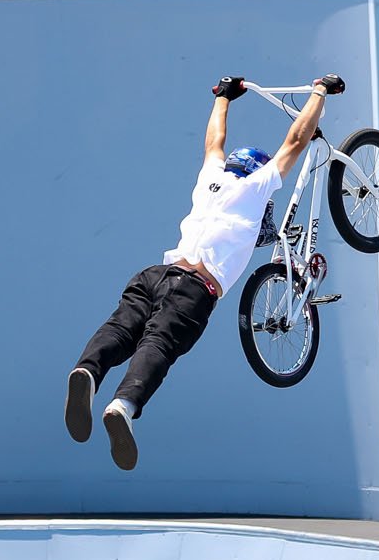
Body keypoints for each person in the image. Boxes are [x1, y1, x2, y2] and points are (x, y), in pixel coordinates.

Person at [67, 74, 346, 471]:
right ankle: (122, 406)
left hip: (155, 273)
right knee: (158, 345)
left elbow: (214, 142)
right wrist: (320, 93)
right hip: (195, 287)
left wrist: (223, 98)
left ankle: (87, 370)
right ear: (255, 172)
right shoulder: (255, 186)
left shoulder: (210, 178)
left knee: (121, 328)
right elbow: (296, 141)